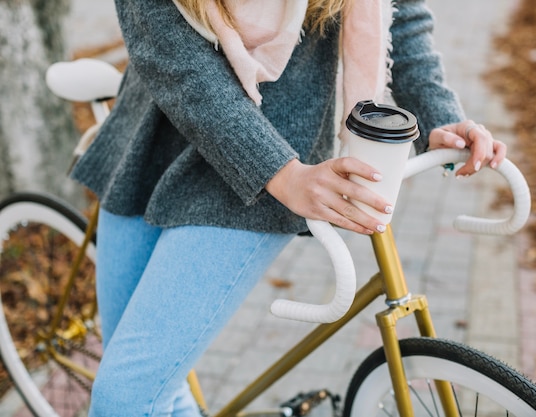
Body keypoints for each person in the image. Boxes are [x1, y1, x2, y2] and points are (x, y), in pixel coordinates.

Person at [70, 0, 507, 415]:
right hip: (153, 140)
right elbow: (168, 48)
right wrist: (282, 174)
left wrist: (438, 113)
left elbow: (398, 11)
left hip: (265, 161)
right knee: (144, 386)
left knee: (126, 396)